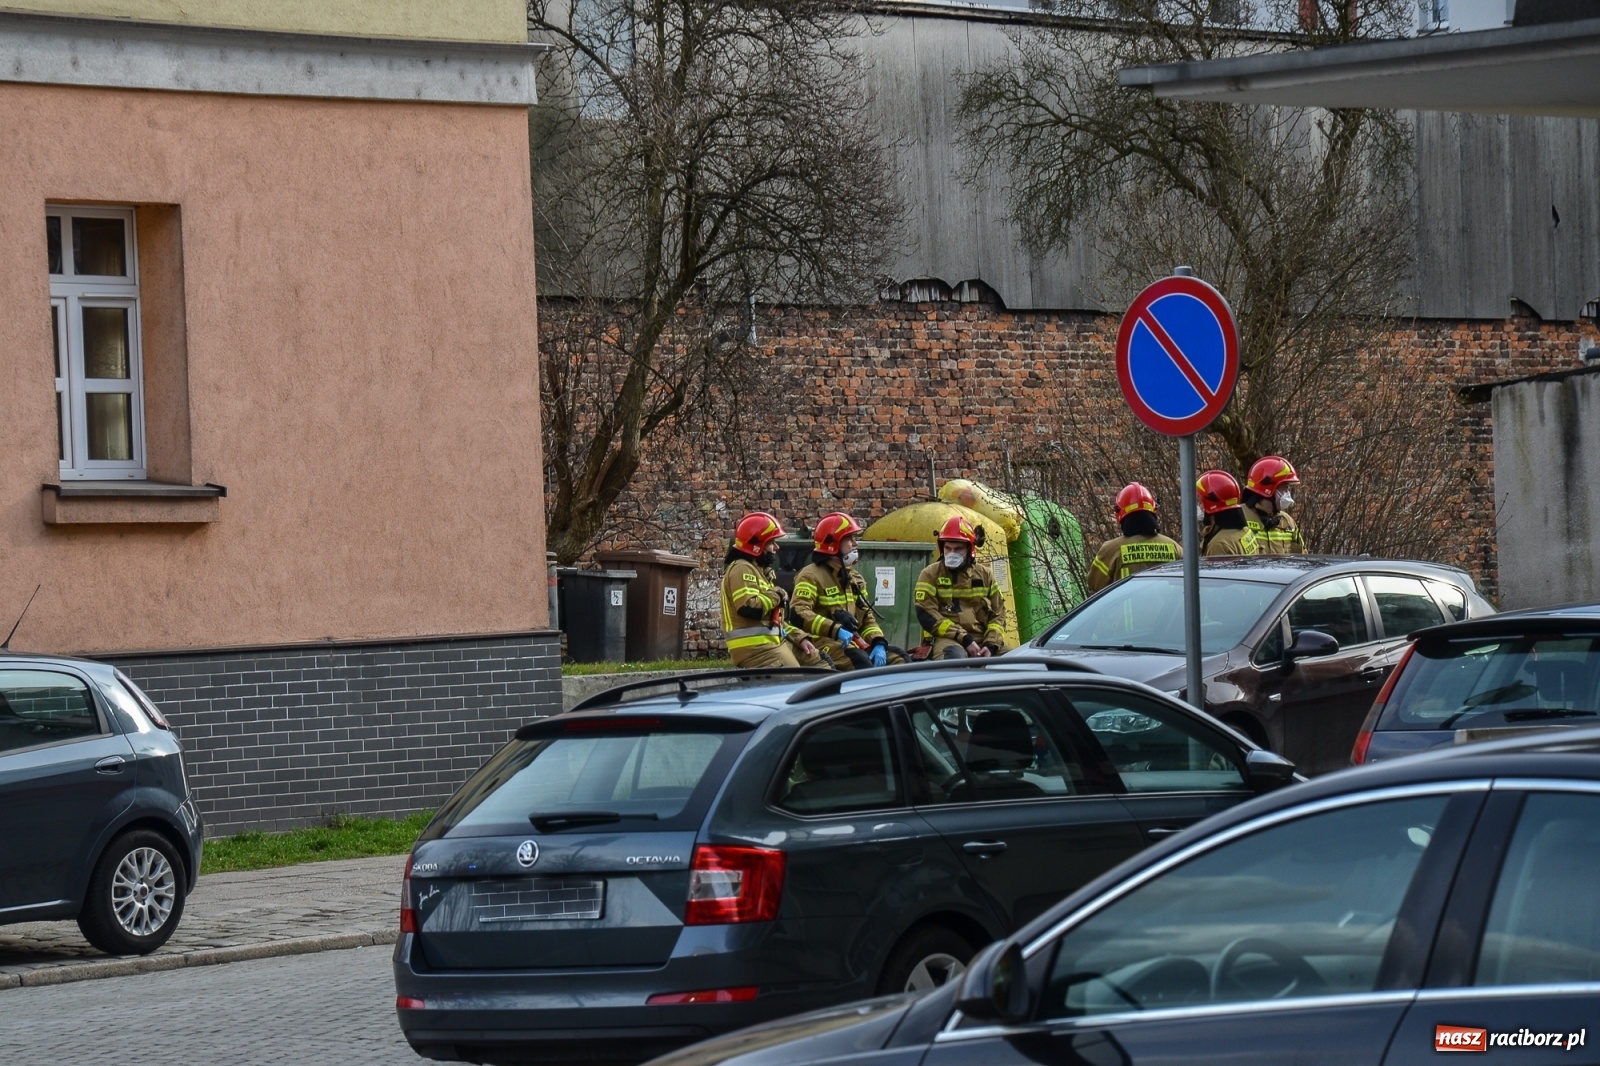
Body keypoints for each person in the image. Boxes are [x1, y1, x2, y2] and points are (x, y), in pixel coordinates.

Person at [789, 512, 906, 671]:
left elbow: (866, 618)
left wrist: (877, 641)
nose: (855, 543)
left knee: (900, 658)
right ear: (834, 543)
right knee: (860, 661)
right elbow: (798, 613)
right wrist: (835, 629)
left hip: (853, 643)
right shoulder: (810, 576)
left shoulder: (854, 578)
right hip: (821, 643)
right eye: (850, 539)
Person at [720, 512, 824, 668]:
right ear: (756, 545)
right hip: (756, 652)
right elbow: (748, 608)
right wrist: (777, 595)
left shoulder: (759, 572)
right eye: (771, 543)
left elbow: (776, 623)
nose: (777, 547)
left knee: (820, 663)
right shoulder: (741, 569)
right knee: (797, 681)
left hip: (774, 644)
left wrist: (800, 638)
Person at [914, 516, 1007, 659]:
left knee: (1016, 662)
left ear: (970, 549)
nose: (952, 554)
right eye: (948, 548)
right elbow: (926, 614)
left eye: (958, 549)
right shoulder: (930, 575)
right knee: (954, 660)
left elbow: (999, 614)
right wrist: (964, 638)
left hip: (983, 639)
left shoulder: (984, 575)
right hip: (946, 639)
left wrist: (991, 644)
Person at [1087, 483, 1183, 592]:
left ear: (1119, 513)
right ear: (1153, 509)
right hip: (1170, 609)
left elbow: (1094, 585)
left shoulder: (1111, 550)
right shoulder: (1174, 547)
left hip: (1125, 610)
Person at [1242, 456, 1307, 554]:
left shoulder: (1288, 522)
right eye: (1284, 488)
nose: (1287, 493)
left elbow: (1302, 558)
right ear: (1268, 489)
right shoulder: (1241, 519)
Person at [1197, 470, 1259, 556]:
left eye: (1201, 502)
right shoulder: (1245, 530)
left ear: (1212, 504)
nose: (1199, 507)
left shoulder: (1218, 545)